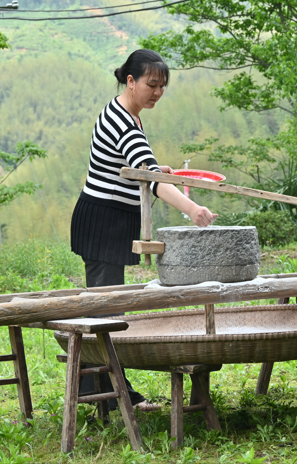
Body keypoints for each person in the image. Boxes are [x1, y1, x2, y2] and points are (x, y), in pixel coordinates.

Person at [71, 49, 217, 411]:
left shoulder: (128, 114)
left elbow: (138, 166)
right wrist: (192, 208)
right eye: (151, 84)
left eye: (162, 86)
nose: (157, 92)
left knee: (105, 309)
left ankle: (96, 388)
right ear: (131, 81)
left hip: (106, 219)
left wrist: (155, 169)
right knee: (106, 314)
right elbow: (152, 181)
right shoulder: (123, 121)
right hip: (103, 222)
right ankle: (112, 397)